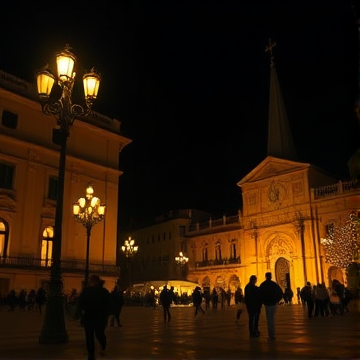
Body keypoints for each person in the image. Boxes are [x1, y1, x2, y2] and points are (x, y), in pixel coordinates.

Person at [78, 274, 111, 360]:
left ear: (91, 282)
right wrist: (106, 315)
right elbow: (108, 305)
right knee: (99, 333)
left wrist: (80, 314)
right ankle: (103, 342)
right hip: (100, 317)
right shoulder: (104, 292)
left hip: (88, 317)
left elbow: (81, 304)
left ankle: (91, 354)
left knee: (89, 335)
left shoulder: (86, 291)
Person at [258, 272, 283, 341]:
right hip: (273, 304)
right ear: (271, 277)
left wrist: (263, 301)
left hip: (267, 304)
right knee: (272, 319)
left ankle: (270, 335)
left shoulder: (263, 285)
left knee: (269, 319)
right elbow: (280, 293)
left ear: (265, 276)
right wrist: (276, 300)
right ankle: (272, 334)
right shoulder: (274, 284)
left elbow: (260, 294)